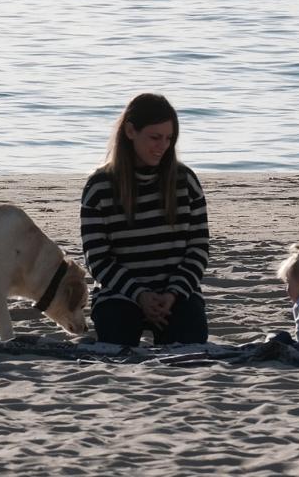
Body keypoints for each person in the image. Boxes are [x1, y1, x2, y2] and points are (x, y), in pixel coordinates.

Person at [79, 93, 210, 346]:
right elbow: (97, 259)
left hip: (177, 294)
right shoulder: (100, 186)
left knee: (189, 345)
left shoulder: (186, 181)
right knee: (117, 340)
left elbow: (198, 250)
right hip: (120, 294)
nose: (162, 145)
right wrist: (139, 294)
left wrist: (173, 292)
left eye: (169, 138)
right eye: (154, 137)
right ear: (130, 131)